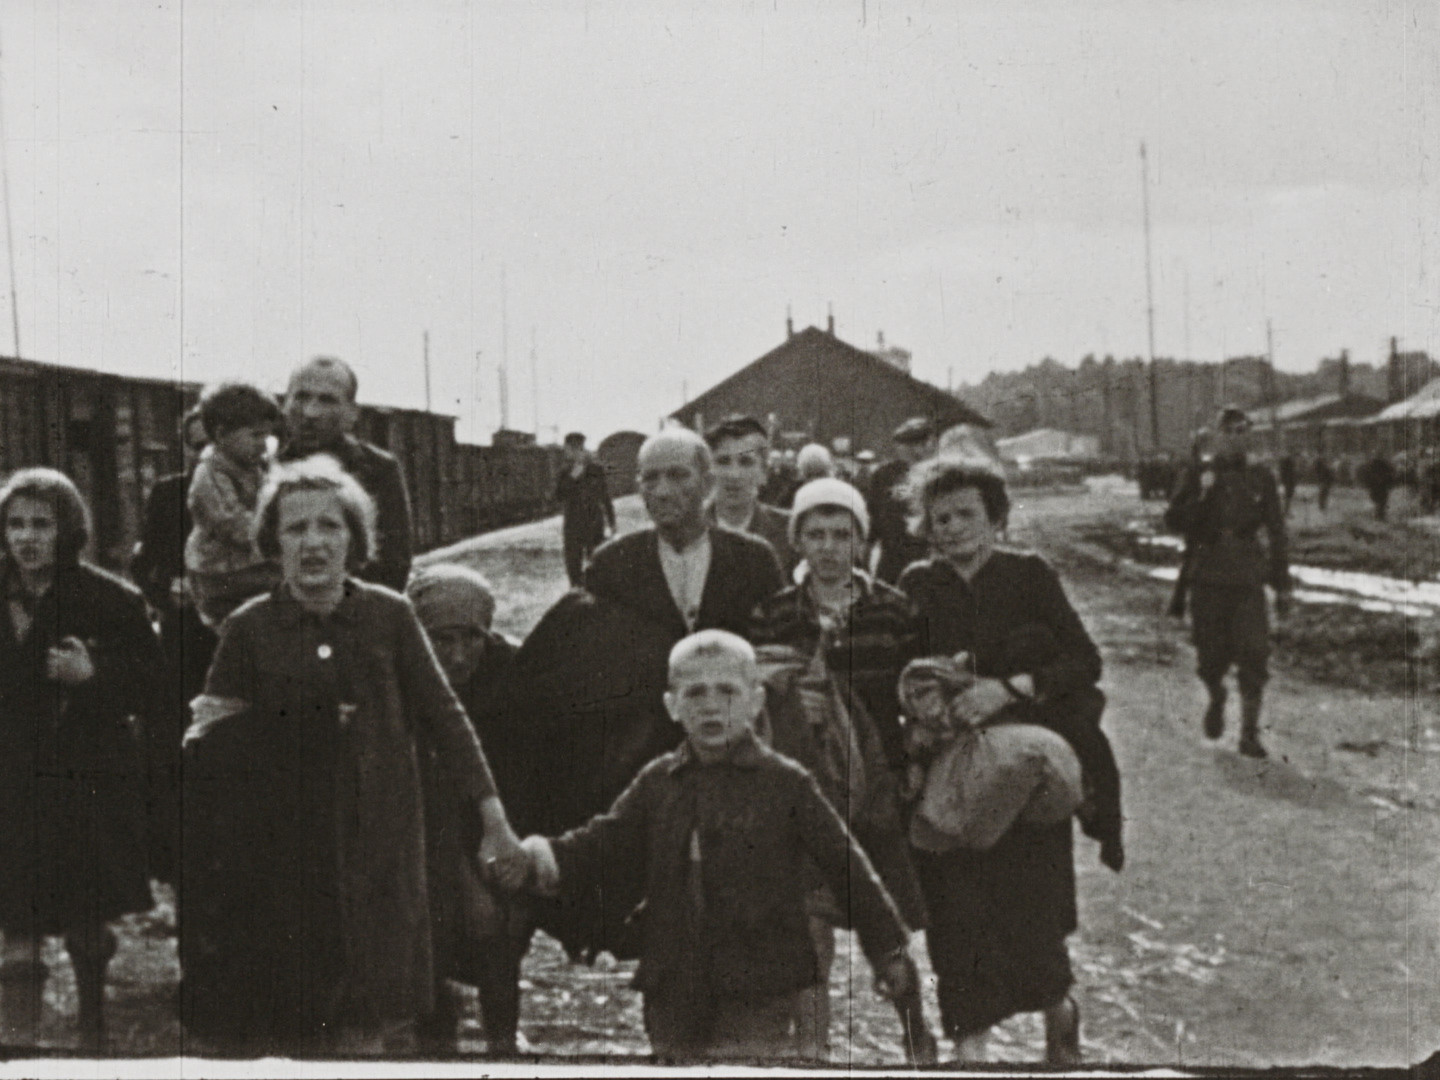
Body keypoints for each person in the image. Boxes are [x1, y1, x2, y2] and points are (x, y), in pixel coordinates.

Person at [180, 456, 527, 1054]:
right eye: (296, 529)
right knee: (303, 1009)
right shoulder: (248, 629)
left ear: (354, 539)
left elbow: (447, 719)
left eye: (329, 527)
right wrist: (292, 727)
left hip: (384, 841)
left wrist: (494, 821)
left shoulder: (388, 617)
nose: (313, 543)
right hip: (286, 849)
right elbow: (206, 746)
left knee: (389, 1007)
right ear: (273, 541)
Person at [520, 630, 918, 1062]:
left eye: (727, 691)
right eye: (694, 693)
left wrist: (888, 950)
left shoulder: (786, 784)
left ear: (756, 701)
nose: (710, 705)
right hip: (673, 978)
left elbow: (850, 871)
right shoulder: (658, 782)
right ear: (672, 706)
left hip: (761, 977)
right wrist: (544, 856)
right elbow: (604, 841)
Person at [896, 458, 1123, 1065]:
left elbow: (1084, 660)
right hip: (952, 772)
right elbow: (900, 666)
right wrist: (930, 702)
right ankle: (971, 1048)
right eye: (938, 517)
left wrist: (1012, 687)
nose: (951, 528)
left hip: (1027, 774)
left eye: (966, 514)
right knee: (955, 908)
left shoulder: (1028, 575)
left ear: (997, 518)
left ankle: (1060, 1016)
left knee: (1033, 909)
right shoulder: (917, 583)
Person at [748, 478, 935, 1063]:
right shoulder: (774, 614)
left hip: (877, 793)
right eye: (816, 534)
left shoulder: (894, 609)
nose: (828, 547)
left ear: (861, 540)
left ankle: (915, 1034)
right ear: (797, 540)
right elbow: (753, 701)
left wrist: (915, 757)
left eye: (842, 534)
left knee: (887, 927)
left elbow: (918, 693)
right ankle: (814, 1051)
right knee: (809, 930)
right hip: (804, 794)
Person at [0, 468, 161, 1048]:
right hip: (9, 782)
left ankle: (92, 1035)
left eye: (41, 524)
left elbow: (157, 684)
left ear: (67, 528)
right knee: (12, 918)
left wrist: (95, 675)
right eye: (15, 523)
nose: (27, 537)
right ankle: (15, 1042)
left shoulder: (110, 599)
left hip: (86, 781)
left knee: (87, 921)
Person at [407, 565, 531, 1054]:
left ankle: (503, 1039)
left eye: (472, 639)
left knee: (502, 923)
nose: (459, 655)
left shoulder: (512, 674)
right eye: (443, 640)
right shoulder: (400, 678)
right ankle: (437, 1034)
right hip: (422, 828)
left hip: (496, 824)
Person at [1164, 407, 1292, 758]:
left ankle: (1249, 734)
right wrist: (1201, 496)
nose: (1237, 437)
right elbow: (1173, 520)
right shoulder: (1197, 473)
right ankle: (1216, 695)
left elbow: (1278, 532)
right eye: (1230, 431)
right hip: (1207, 576)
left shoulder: (1261, 477)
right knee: (1210, 658)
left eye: (1244, 430)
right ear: (1217, 435)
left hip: (1249, 577)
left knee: (1254, 652)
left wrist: (1282, 585)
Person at [585, 428, 783, 640]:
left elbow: (779, 652)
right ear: (639, 487)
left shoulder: (754, 559)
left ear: (707, 484)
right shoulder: (611, 564)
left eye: (677, 476)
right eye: (650, 478)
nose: (662, 492)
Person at [131, 406, 211, 885]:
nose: (203, 455)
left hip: (238, 640)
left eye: (211, 445)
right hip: (183, 643)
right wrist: (166, 588)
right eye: (194, 445)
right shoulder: (169, 494)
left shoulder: (260, 489)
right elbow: (144, 564)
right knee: (176, 743)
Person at [278, 355, 413, 591]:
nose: (310, 412)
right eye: (301, 397)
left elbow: (393, 565)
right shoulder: (263, 470)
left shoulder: (378, 469)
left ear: (352, 413)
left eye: (327, 400)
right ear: (284, 404)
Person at [185, 381, 284, 629]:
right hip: (222, 573)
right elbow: (233, 525)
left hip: (249, 566)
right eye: (255, 435)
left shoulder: (253, 467)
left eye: (267, 435)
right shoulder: (210, 474)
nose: (263, 444)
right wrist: (279, 540)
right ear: (220, 434)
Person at [704, 415, 796, 575]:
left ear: (764, 474)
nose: (734, 474)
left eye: (746, 462)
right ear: (707, 471)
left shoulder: (790, 532)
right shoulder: (687, 530)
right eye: (723, 461)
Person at [868, 417, 938, 584]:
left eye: (921, 443)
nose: (916, 449)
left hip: (929, 558)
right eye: (909, 443)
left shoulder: (940, 474)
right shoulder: (884, 475)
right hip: (891, 561)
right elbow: (873, 518)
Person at [554, 433, 615, 587]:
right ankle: (576, 596)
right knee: (573, 567)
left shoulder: (596, 469)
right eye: (570, 449)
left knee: (596, 564)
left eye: (576, 449)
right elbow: (558, 496)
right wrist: (574, 475)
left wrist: (612, 522)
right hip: (572, 526)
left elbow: (605, 497)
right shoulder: (565, 472)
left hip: (594, 524)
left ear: (581, 449)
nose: (572, 453)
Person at [1358, 452, 1397, 522]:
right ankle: (1379, 515)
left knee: (1379, 501)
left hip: (1377, 486)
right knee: (1381, 501)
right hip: (1380, 485)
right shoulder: (1382, 463)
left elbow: (1365, 473)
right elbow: (1392, 471)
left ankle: (1379, 515)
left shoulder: (1372, 463)